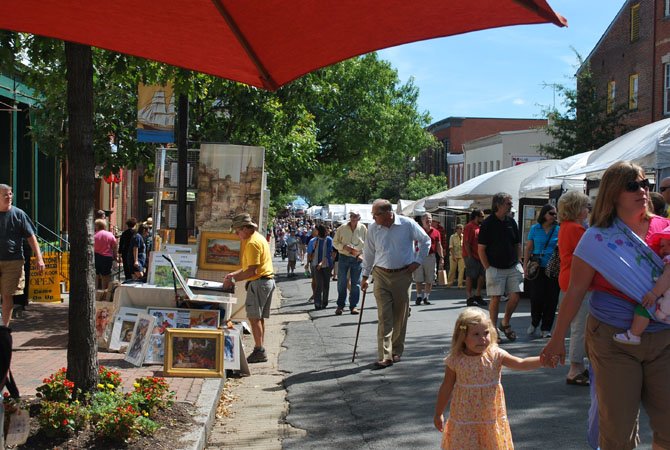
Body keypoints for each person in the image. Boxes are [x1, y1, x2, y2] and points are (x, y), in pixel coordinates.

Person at [541, 161, 670, 450]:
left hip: (663, 337)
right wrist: (557, 339)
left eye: (645, 184)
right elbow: (575, 291)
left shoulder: (666, 229)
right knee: (618, 432)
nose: (643, 190)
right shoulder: (596, 238)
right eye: (632, 185)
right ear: (613, 193)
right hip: (613, 339)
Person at [433, 307, 543, 449]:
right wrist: (438, 413)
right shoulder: (456, 360)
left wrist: (542, 360)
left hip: (490, 418)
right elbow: (446, 386)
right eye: (476, 334)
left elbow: (520, 363)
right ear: (463, 336)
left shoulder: (496, 354)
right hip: (465, 417)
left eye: (486, 333)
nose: (483, 339)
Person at [361, 199, 430, 370]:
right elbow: (368, 253)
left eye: (375, 214)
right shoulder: (373, 228)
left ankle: (396, 350)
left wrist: (417, 261)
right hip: (380, 275)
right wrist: (364, 276)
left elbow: (425, 240)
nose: (372, 217)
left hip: (402, 275)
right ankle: (385, 355)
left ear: (387, 214)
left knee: (400, 315)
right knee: (385, 316)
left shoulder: (407, 224)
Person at [223, 213, 275, 364]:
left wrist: (233, 279)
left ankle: (259, 349)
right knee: (258, 318)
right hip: (265, 281)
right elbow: (249, 268)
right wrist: (234, 274)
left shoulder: (252, 243)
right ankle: (260, 348)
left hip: (259, 282)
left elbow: (252, 270)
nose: (237, 234)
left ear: (246, 228)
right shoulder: (256, 238)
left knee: (254, 317)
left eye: (238, 231)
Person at [556, 190, 592, 386]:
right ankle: (575, 368)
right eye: (585, 206)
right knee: (580, 327)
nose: (588, 209)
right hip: (577, 282)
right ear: (577, 208)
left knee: (577, 326)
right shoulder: (576, 229)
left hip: (568, 280)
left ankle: (577, 366)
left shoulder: (565, 226)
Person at [478, 193, 523, 343]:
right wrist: (488, 268)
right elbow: (481, 249)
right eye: (508, 203)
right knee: (495, 298)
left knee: (516, 295)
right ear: (498, 205)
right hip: (494, 267)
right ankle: (493, 329)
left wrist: (518, 261)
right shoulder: (487, 223)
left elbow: (517, 244)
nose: (511, 206)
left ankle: (505, 323)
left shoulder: (511, 221)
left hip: (512, 265)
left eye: (511, 203)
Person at [613, 224, 670, 344]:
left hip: (666, 304)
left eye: (668, 245)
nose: (664, 249)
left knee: (644, 308)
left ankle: (634, 334)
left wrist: (654, 294)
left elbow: (667, 277)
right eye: (662, 246)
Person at [0, 184, 45, 325]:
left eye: (10, 194)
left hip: (13, 261)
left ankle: (4, 330)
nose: (9, 197)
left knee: (7, 296)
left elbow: (31, 237)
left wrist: (39, 258)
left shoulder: (18, 214)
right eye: (5, 194)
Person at [523, 204, 560, 338]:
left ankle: (546, 328)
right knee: (536, 297)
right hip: (537, 266)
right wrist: (525, 265)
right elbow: (528, 248)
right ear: (544, 214)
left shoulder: (558, 229)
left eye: (555, 214)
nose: (554, 216)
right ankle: (534, 321)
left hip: (553, 267)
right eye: (551, 213)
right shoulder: (535, 228)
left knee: (552, 298)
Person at [333, 210, 367, 315]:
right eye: (352, 216)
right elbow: (335, 242)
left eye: (355, 216)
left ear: (359, 218)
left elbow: (367, 244)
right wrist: (343, 246)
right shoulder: (342, 228)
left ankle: (354, 306)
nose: (353, 218)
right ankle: (341, 305)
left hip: (357, 258)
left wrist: (362, 255)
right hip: (344, 256)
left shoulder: (363, 228)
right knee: (342, 282)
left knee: (356, 283)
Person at [414, 212, 444, 306]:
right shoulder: (418, 230)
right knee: (418, 278)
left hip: (431, 257)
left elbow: (439, 245)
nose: (429, 220)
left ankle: (426, 297)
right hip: (418, 256)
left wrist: (442, 258)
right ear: (422, 221)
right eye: (426, 218)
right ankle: (419, 296)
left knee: (430, 278)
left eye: (430, 218)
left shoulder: (436, 232)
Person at [462, 209, 486, 307]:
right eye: (482, 216)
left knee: (482, 275)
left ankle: (477, 295)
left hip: (480, 255)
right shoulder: (469, 226)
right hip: (471, 256)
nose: (483, 218)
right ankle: (469, 297)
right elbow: (467, 243)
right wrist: (470, 256)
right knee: (470, 276)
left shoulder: (479, 227)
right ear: (477, 217)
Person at [309, 225, 333, 310]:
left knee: (326, 284)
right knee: (318, 284)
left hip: (326, 265)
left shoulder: (329, 240)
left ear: (319, 231)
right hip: (316, 264)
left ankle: (324, 302)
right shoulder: (315, 240)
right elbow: (312, 252)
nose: (313, 231)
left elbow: (329, 253)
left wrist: (321, 263)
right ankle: (317, 303)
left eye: (315, 230)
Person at [94, 218, 118, 290]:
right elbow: (115, 246)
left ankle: (95, 291)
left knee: (96, 275)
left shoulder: (94, 235)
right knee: (106, 276)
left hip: (96, 256)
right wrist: (115, 256)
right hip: (107, 257)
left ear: (97, 226)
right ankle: (104, 291)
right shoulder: (109, 235)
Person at [447, 224, 465, 288]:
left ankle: (460, 284)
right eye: (460, 228)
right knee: (452, 269)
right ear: (456, 229)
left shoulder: (464, 236)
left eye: (462, 229)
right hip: (453, 255)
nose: (461, 230)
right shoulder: (452, 237)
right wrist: (453, 256)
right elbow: (451, 247)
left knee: (461, 270)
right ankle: (449, 283)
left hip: (461, 255)